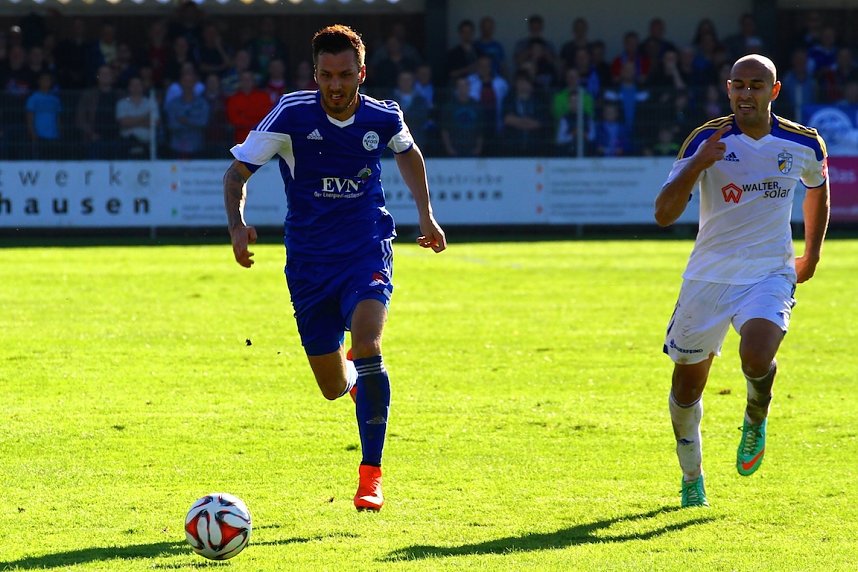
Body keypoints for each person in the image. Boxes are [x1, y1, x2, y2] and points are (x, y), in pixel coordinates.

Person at [222, 24, 446, 512]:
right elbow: (236, 172)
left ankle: (371, 475)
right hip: (307, 264)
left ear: (361, 73)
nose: (336, 86)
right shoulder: (291, 115)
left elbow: (409, 154)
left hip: (366, 247)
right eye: (326, 75)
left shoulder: (383, 117)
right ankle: (352, 379)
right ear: (315, 74)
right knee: (331, 386)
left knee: (367, 343)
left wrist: (425, 215)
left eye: (345, 75)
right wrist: (237, 225)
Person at [654, 54, 830, 508]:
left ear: (774, 91)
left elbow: (817, 188)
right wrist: (698, 165)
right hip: (708, 277)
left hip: (768, 272)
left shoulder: (803, 143)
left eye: (756, 85)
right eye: (738, 85)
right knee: (685, 390)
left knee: (756, 354)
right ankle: (692, 475)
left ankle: (756, 413)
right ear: (728, 89)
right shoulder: (705, 140)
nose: (745, 93)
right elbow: (663, 214)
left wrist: (811, 252)